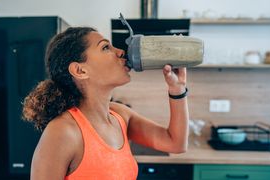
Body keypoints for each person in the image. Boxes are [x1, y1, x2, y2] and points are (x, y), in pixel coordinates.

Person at [22, 27, 189, 180]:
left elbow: (176, 143)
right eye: (105, 47)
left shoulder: (121, 116)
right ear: (80, 70)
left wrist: (178, 88)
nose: (121, 52)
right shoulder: (63, 132)